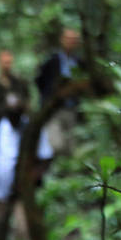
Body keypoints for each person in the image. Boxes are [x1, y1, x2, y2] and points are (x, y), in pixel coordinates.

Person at [0, 92, 54, 240]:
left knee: (23, 231)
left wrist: (30, 178)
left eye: (16, 113)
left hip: (24, 191)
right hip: (0, 189)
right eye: (10, 113)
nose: (13, 117)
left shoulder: (32, 129)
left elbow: (46, 158)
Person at [35, 27, 81, 155]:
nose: (71, 41)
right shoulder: (51, 61)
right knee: (56, 144)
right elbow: (39, 80)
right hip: (53, 109)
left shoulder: (79, 61)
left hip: (73, 109)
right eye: (68, 38)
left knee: (72, 146)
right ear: (62, 40)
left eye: (74, 39)